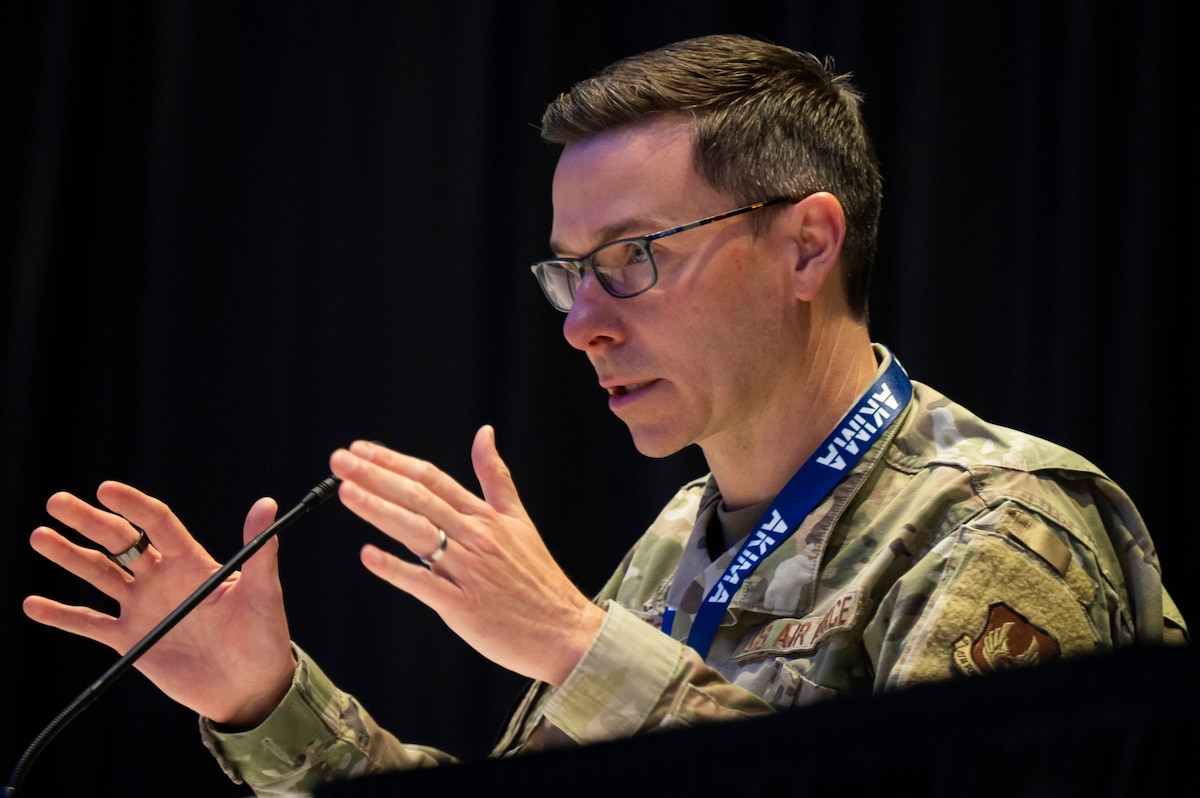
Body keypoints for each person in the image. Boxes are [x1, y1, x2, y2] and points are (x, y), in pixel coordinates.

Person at [21, 33, 1189, 797]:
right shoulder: (681, 541)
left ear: (807, 246)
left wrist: (581, 648)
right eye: (569, 272)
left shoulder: (1000, 526)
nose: (581, 322)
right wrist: (264, 698)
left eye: (632, 258)